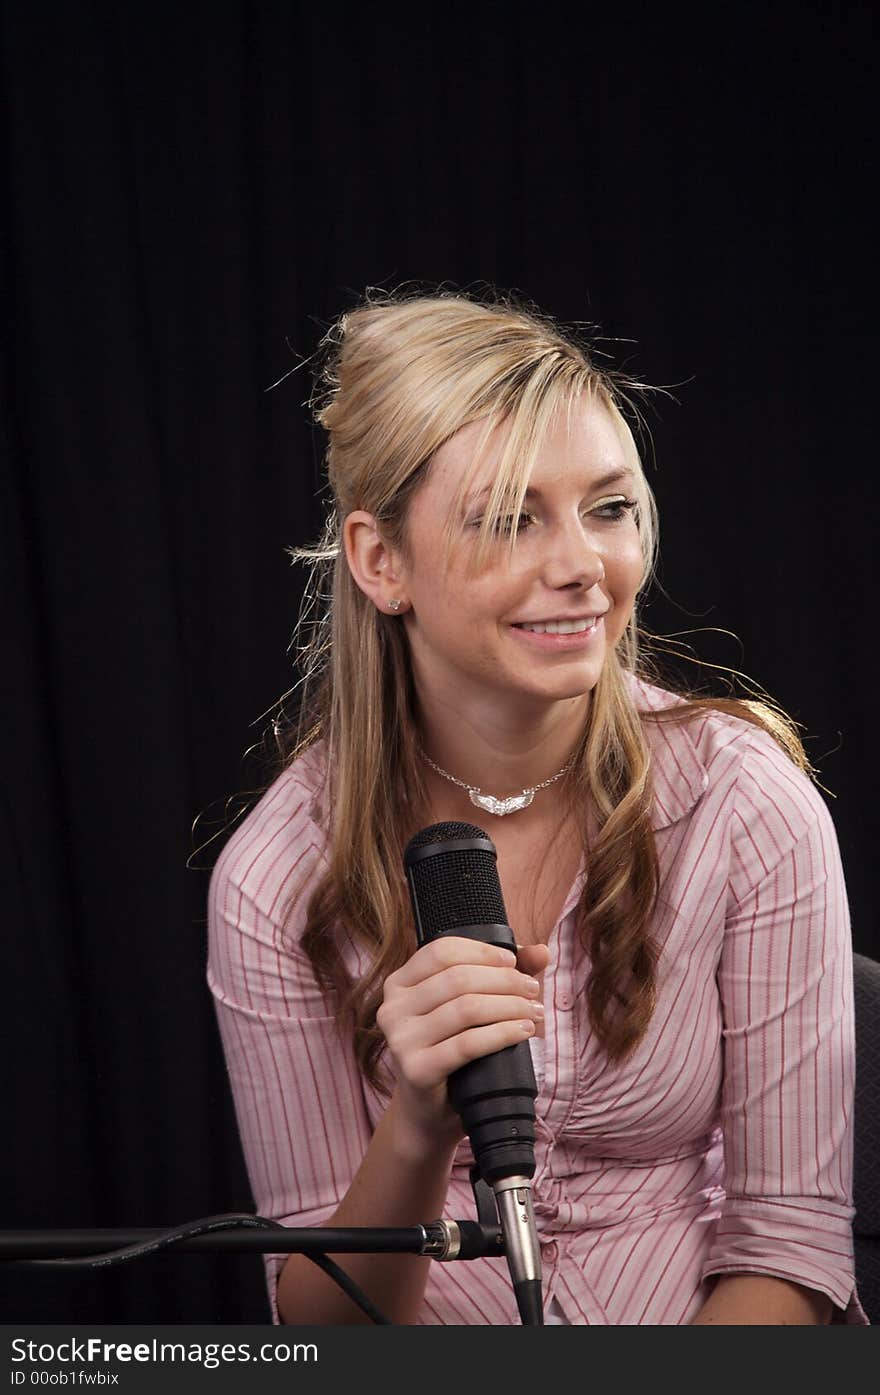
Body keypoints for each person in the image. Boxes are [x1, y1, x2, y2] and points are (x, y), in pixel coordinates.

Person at [206, 287, 867, 1325]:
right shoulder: (278, 872)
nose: (581, 568)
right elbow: (321, 1332)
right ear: (382, 562)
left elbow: (790, 1245)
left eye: (607, 508)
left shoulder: (744, 801)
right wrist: (419, 1127)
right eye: (510, 519)